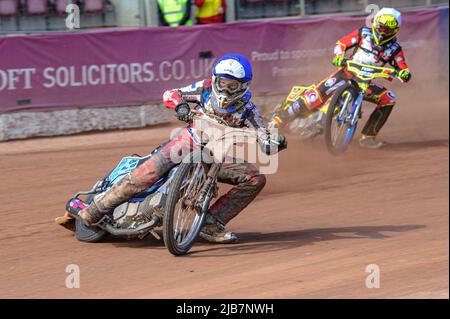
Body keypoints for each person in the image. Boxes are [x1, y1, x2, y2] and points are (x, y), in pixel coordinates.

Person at [62, 54, 287, 244]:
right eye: (222, 83)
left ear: (244, 86)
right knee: (147, 172)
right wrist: (180, 106)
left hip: (218, 156)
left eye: (232, 86)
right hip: (188, 141)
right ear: (215, 79)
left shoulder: (249, 110)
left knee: (255, 178)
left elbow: (264, 135)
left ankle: (211, 222)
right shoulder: (206, 88)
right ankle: (94, 211)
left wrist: (274, 143)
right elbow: (171, 93)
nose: (225, 90)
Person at [270, 7, 412, 149]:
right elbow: (341, 44)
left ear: (395, 31)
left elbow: (402, 67)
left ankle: (368, 136)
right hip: (346, 74)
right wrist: (339, 57)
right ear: (375, 24)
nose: (382, 32)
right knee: (313, 97)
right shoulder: (363, 34)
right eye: (380, 28)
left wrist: (405, 74)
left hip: (365, 83)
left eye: (387, 30)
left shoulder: (394, 49)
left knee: (389, 98)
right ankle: (279, 120)